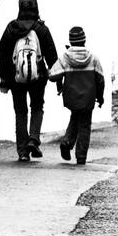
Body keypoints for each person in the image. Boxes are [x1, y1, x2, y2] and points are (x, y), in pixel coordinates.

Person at [0, 0, 57, 162]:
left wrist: (5, 78)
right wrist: (57, 78)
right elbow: (52, 56)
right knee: (37, 107)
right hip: (38, 77)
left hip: (16, 78)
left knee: (20, 111)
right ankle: (34, 139)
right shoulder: (41, 29)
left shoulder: (11, 28)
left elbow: (3, 54)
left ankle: (23, 151)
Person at [49, 26, 105, 165]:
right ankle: (81, 156)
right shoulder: (93, 59)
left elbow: (53, 75)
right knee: (84, 125)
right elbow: (100, 80)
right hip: (88, 99)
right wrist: (100, 96)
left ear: (71, 41)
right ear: (84, 40)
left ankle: (67, 142)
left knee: (75, 117)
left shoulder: (65, 58)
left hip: (71, 98)